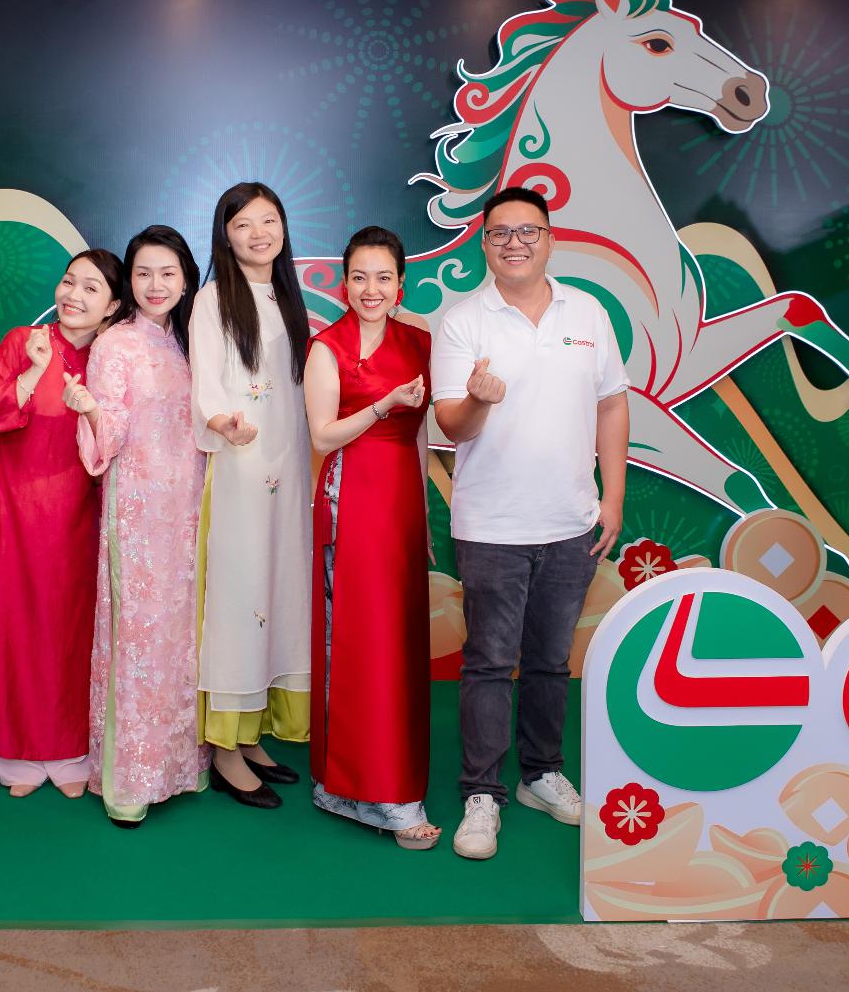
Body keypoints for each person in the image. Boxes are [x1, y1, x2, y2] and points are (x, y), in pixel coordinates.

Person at [430, 185, 629, 861]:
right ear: (484, 244)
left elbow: (611, 404)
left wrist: (612, 498)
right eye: (500, 233)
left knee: (549, 660)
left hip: (571, 523)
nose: (514, 242)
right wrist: (478, 401)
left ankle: (541, 773)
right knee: (489, 663)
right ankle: (482, 792)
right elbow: (451, 424)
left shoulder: (588, 312)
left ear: (549, 239)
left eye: (528, 231)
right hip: (491, 526)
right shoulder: (463, 321)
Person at [0, 249, 125, 797]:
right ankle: (15, 746)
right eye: (69, 281)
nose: (73, 295)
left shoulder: (110, 358)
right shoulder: (23, 341)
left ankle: (70, 746)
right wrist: (32, 372)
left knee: (72, 628)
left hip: (82, 513)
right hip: (15, 509)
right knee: (16, 623)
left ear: (113, 306)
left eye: (91, 288)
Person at [303, 226, 439, 849]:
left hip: (400, 502)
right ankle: (360, 787)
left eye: (383, 277)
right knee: (358, 642)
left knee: (399, 644)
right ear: (344, 283)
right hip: (349, 497)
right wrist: (382, 405)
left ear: (401, 283)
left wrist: (425, 516)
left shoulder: (420, 341)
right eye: (359, 277)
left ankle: (382, 779)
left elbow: (421, 434)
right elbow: (322, 435)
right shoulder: (326, 347)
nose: (371, 289)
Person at [73, 226, 210, 826]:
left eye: (168, 274)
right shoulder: (115, 344)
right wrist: (90, 410)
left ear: (185, 280)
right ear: (129, 280)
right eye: (144, 273)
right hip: (137, 513)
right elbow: (108, 435)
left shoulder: (190, 341)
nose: (156, 285)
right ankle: (130, 776)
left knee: (182, 637)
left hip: (190, 510)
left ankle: (179, 765)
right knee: (136, 638)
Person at [188, 182, 312, 809]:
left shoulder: (290, 297)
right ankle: (225, 749)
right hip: (239, 466)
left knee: (278, 591)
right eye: (243, 224)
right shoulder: (212, 300)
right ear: (225, 235)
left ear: (283, 228)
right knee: (238, 600)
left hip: (289, 465)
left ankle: (255, 728)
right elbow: (206, 385)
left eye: (268, 220)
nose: (258, 233)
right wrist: (222, 424)